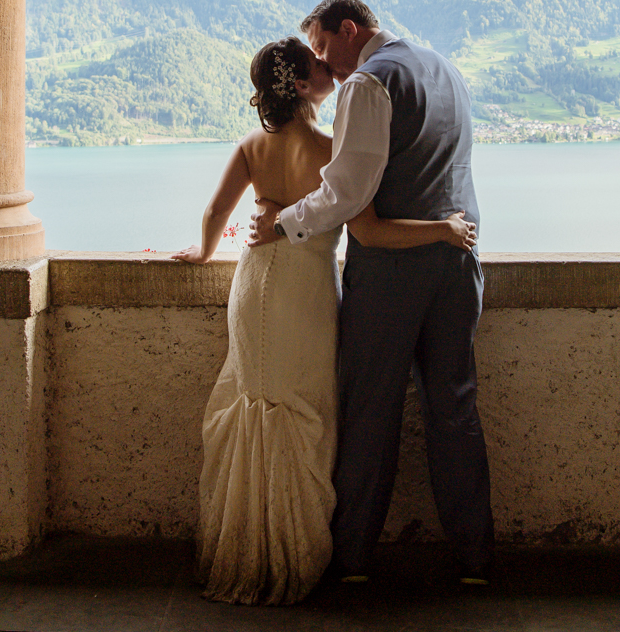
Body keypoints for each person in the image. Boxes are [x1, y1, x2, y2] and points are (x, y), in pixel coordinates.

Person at [172, 35, 475, 606]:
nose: (327, 68)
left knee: (253, 402)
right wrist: (443, 230)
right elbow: (367, 230)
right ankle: (293, 551)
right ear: (307, 84)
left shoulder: (249, 147)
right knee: (304, 411)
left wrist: (203, 252)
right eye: (317, 65)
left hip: (253, 284)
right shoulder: (333, 149)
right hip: (304, 293)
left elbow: (216, 211)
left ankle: (244, 549)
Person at [248, 0, 494, 586]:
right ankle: (477, 559)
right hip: (460, 261)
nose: (321, 61)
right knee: (454, 406)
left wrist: (280, 223)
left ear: (349, 29)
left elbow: (347, 193)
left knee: (371, 411)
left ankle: (354, 558)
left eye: (323, 46)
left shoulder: (367, 84)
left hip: (391, 273)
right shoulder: (445, 68)